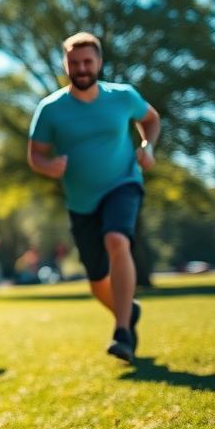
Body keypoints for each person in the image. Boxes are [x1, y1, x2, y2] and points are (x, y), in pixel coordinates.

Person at [28, 32, 160, 363]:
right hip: (81, 201)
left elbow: (151, 119)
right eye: (74, 63)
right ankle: (128, 311)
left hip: (123, 183)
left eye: (88, 62)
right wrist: (50, 166)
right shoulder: (50, 109)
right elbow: (35, 156)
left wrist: (148, 146)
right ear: (65, 65)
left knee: (118, 240)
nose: (82, 68)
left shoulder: (123, 96)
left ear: (99, 63)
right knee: (98, 282)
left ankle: (122, 331)